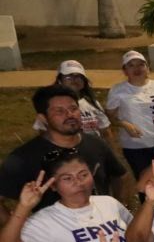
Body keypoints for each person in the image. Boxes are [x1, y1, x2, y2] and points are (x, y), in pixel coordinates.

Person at [0, 85, 130, 219]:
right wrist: (16, 227)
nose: (70, 115)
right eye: (59, 111)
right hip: (55, 230)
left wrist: (120, 208)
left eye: (73, 108)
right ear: (43, 118)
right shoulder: (24, 157)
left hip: (102, 224)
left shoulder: (95, 144)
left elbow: (120, 175)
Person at [0, 149, 132, 242]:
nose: (78, 182)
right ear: (53, 186)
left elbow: (135, 235)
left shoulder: (109, 203)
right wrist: (23, 207)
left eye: (83, 175)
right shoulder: (46, 220)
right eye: (67, 178)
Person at [107, 50, 154, 174]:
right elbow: (110, 116)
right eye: (131, 65)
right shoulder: (117, 90)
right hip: (135, 147)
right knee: (145, 180)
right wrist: (124, 124)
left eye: (141, 64)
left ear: (147, 68)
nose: (137, 68)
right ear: (125, 71)